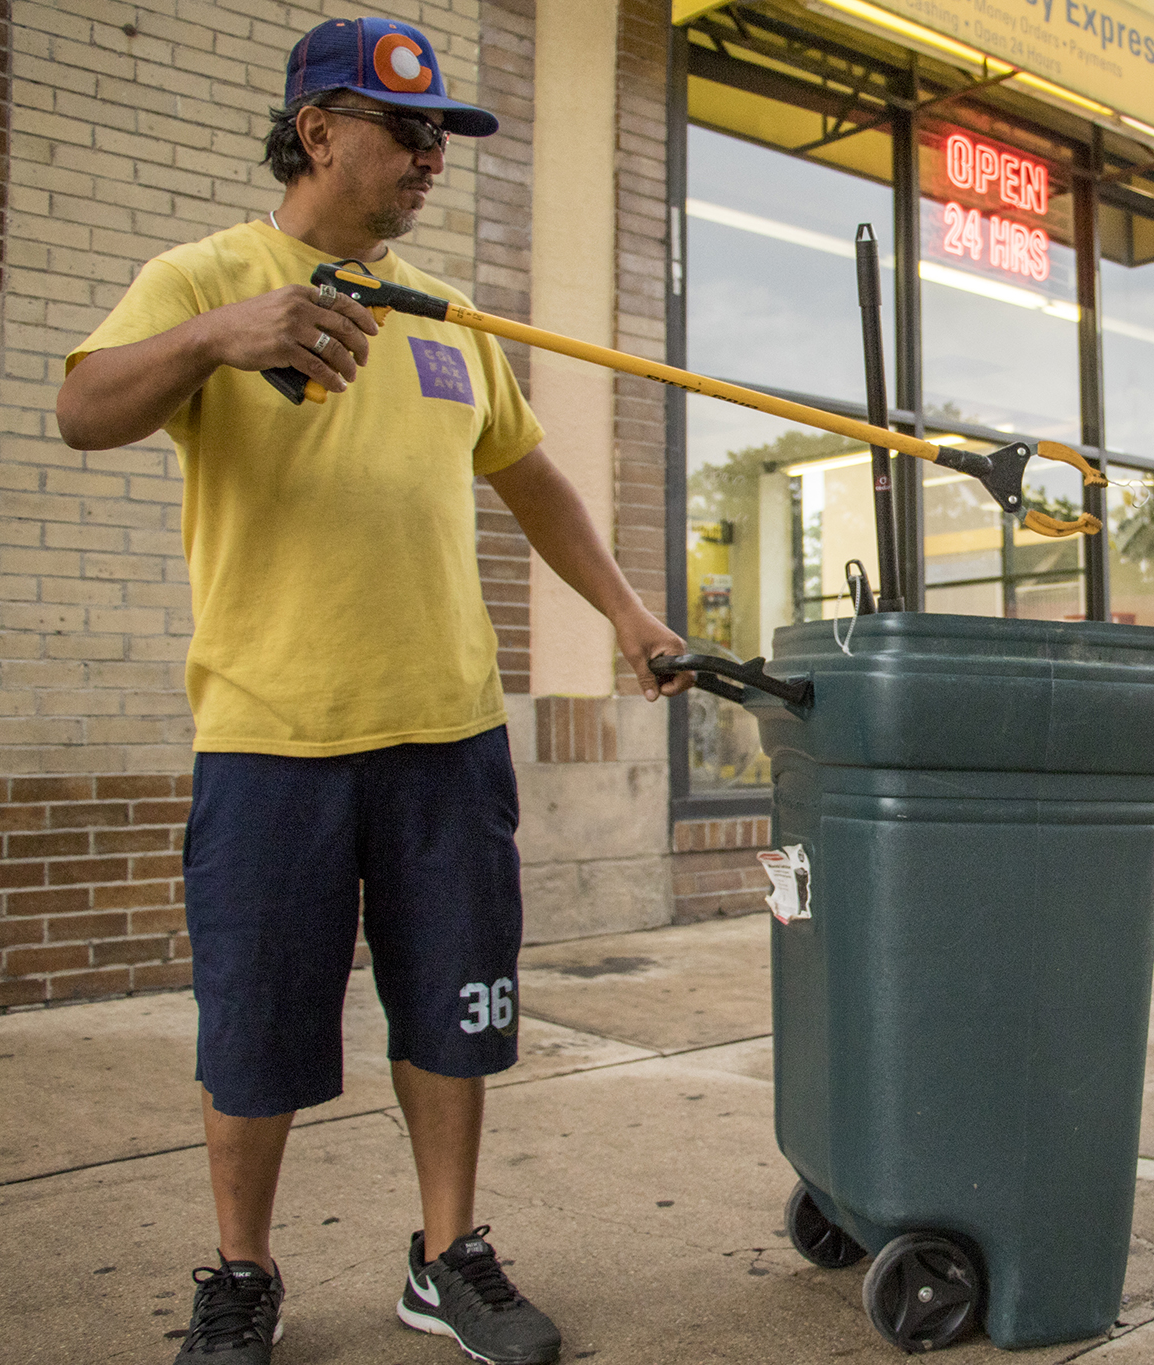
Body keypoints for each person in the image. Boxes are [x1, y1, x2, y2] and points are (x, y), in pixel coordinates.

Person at [55, 18, 690, 1365]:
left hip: (446, 740)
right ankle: (241, 1272)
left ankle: (445, 1253)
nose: (430, 160)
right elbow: (83, 408)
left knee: (453, 1013)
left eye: (443, 137)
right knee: (257, 1032)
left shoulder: (445, 316)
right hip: (270, 738)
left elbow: (527, 474)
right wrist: (227, 334)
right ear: (318, 131)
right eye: (407, 133)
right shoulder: (204, 277)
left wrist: (628, 615)